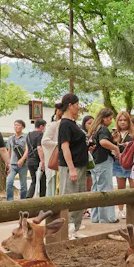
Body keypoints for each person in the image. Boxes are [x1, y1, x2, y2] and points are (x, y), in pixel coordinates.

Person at [58, 94, 89, 239]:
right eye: (77, 104)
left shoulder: (73, 123)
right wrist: (71, 168)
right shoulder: (64, 124)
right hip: (71, 166)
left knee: (80, 197)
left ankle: (75, 228)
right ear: (70, 105)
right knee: (69, 196)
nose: (78, 107)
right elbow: (65, 147)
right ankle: (67, 228)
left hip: (81, 165)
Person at [89, 108, 119, 223]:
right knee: (105, 189)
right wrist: (115, 147)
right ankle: (107, 217)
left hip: (95, 162)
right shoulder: (103, 129)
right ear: (104, 118)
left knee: (96, 188)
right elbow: (103, 142)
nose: (111, 121)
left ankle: (96, 217)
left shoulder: (94, 129)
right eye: (110, 118)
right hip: (103, 161)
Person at [112, 110, 134, 219]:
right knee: (121, 188)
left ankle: (133, 209)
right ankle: (121, 210)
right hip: (118, 162)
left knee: (133, 187)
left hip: (131, 163)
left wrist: (130, 145)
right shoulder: (113, 133)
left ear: (129, 121)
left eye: (125, 120)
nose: (122, 122)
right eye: (120, 120)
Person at [41, 102, 63, 197]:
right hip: (54, 163)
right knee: (53, 188)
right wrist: (60, 145)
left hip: (63, 163)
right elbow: (45, 141)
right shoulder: (53, 125)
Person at [5, 119, 30, 201]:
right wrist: (7, 163)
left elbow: (27, 150)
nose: (16, 127)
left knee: (23, 185)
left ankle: (23, 200)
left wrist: (22, 160)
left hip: (23, 164)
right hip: (12, 164)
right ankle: (10, 200)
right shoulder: (11, 138)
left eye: (18, 125)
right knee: (9, 182)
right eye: (15, 125)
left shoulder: (26, 137)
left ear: (22, 127)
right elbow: (9, 151)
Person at [26, 119, 46, 198]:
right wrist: (42, 161)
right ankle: (42, 197)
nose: (44, 128)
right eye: (44, 127)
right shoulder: (40, 134)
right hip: (37, 160)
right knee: (42, 180)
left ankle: (28, 197)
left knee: (33, 180)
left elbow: (27, 148)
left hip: (30, 160)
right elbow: (39, 148)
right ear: (41, 126)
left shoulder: (28, 135)